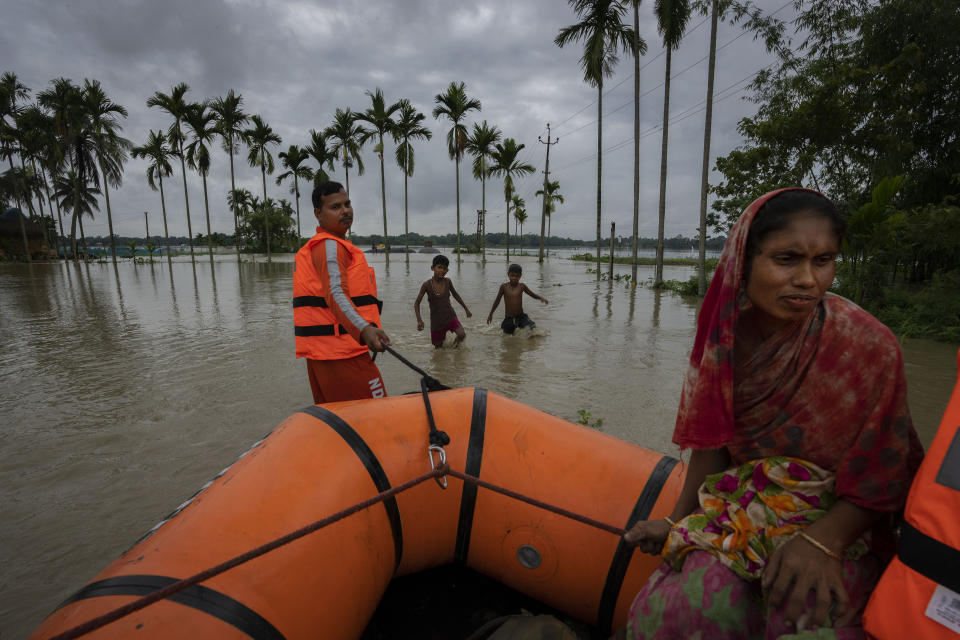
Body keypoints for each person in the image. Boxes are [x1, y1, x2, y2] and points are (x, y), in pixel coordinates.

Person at [620, 188, 924, 639]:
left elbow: (884, 470)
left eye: (824, 260)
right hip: (742, 509)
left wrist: (824, 542)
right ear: (744, 262)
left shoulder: (868, 346)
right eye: (787, 259)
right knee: (693, 606)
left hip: (838, 522)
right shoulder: (723, 338)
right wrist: (675, 521)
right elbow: (714, 445)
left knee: (798, 610)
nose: (808, 279)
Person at [293, 181, 391, 404]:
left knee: (340, 421)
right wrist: (364, 329)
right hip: (343, 354)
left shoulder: (330, 245)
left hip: (324, 356)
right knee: (379, 414)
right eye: (335, 207)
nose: (345, 210)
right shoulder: (330, 246)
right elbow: (335, 293)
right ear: (318, 213)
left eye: (347, 204)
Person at [414, 254, 472, 348]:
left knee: (461, 334)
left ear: (447, 270)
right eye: (439, 267)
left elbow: (455, 295)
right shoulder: (426, 285)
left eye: (444, 268)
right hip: (437, 322)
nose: (442, 270)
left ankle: (454, 348)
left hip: (450, 317)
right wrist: (419, 320)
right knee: (438, 349)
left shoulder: (447, 282)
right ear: (432, 268)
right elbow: (416, 304)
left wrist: (466, 309)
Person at [486, 263, 548, 334]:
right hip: (509, 318)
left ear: (520, 276)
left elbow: (532, 294)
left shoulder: (522, 286)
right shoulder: (504, 287)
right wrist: (491, 314)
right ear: (508, 274)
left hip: (521, 317)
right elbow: (497, 301)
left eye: (517, 276)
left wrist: (540, 298)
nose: (514, 278)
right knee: (507, 336)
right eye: (512, 275)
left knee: (532, 328)